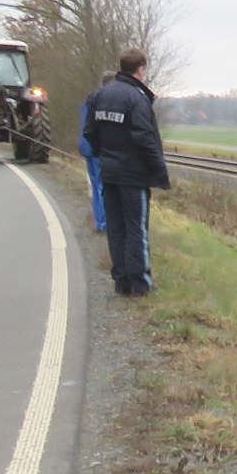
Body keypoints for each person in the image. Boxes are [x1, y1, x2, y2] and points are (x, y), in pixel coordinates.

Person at [84, 49, 171, 296]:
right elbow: (144, 138)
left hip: (108, 172)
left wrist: (106, 154)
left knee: (116, 227)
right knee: (137, 229)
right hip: (133, 175)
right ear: (141, 69)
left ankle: (121, 281)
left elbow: (90, 132)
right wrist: (158, 168)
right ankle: (141, 283)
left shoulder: (99, 96)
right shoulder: (137, 98)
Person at [78, 72, 115, 232]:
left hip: (86, 147)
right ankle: (104, 223)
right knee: (102, 187)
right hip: (97, 149)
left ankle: (99, 222)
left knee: (95, 185)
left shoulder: (89, 99)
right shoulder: (104, 100)